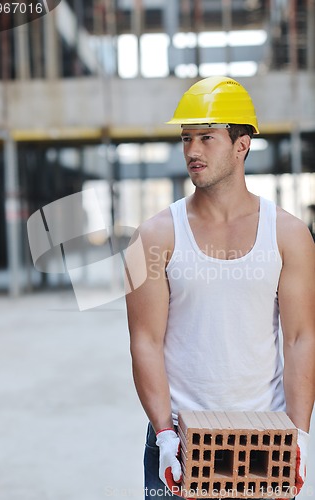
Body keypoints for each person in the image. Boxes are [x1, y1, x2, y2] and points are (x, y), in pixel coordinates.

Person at [125, 76, 315, 499]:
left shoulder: (288, 234)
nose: (193, 150)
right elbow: (144, 341)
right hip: (179, 439)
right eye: (187, 138)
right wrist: (164, 436)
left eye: (207, 138)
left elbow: (301, 338)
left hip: (264, 441)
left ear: (241, 144)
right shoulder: (154, 236)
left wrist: (298, 434)